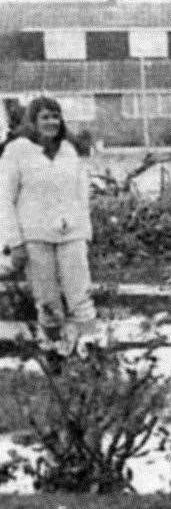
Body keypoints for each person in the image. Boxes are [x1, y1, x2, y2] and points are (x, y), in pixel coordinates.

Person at [0, 96, 96, 357]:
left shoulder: (68, 150)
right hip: (35, 237)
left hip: (72, 234)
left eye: (55, 116)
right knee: (47, 301)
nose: (52, 122)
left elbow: (81, 195)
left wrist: (85, 234)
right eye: (45, 117)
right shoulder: (17, 151)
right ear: (32, 121)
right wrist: (14, 242)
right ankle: (54, 353)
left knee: (81, 297)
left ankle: (88, 353)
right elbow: (5, 199)